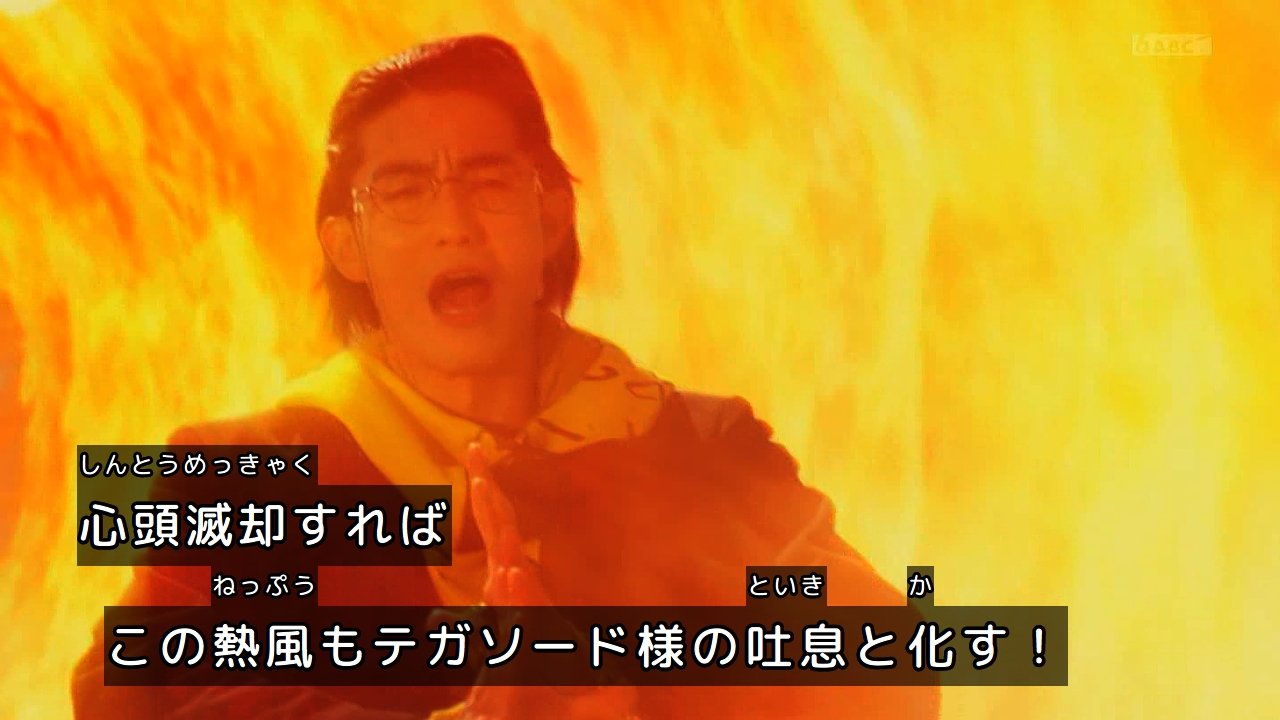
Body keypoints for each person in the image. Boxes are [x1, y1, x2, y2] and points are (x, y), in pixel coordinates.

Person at [73, 34, 939, 719]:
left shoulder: (706, 449)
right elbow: (158, 699)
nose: (454, 222)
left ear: (551, 216)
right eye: (404, 192)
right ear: (347, 247)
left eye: (489, 181)